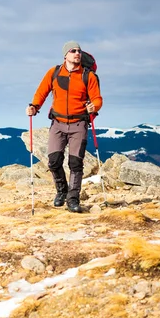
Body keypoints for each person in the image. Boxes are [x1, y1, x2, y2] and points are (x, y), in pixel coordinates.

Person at [26, 41, 103, 213]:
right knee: (53, 161)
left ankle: (73, 199)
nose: (77, 53)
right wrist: (34, 107)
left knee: (75, 163)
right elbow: (42, 92)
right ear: (65, 55)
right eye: (73, 51)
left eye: (79, 51)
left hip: (79, 123)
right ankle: (62, 191)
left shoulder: (88, 75)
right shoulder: (54, 73)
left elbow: (97, 98)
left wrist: (94, 107)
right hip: (58, 124)